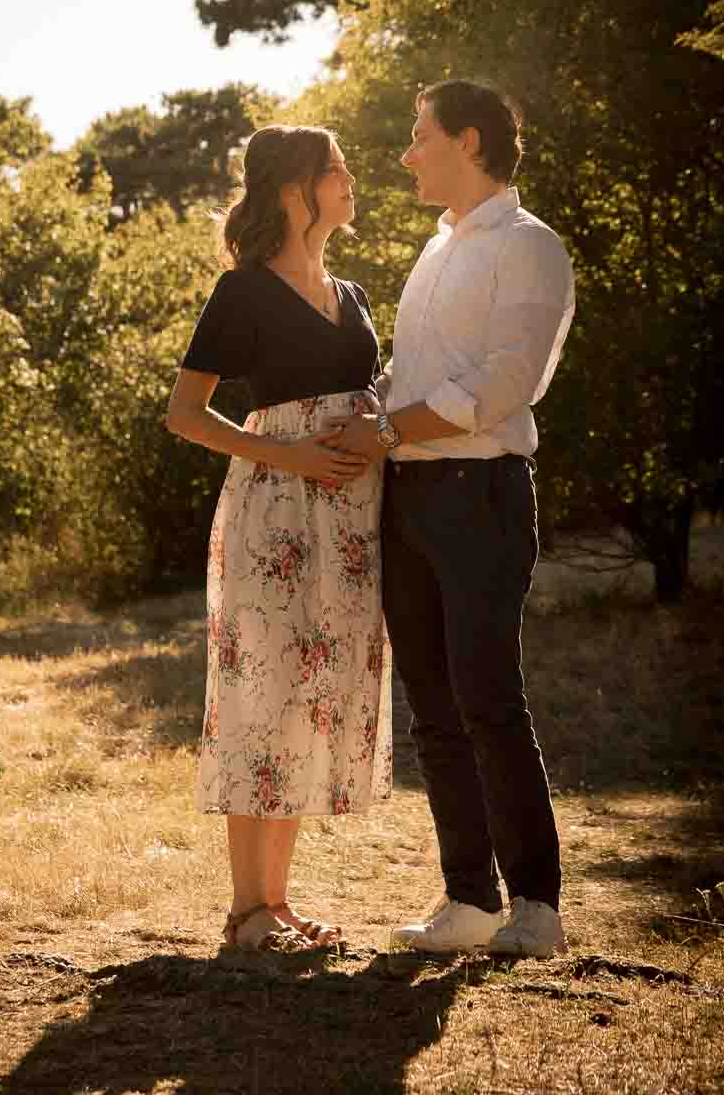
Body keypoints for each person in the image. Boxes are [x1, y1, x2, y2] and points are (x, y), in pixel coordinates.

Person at [332, 80, 575, 959]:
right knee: (433, 706)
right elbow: (420, 375)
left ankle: (536, 908)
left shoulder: (530, 247)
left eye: (419, 136)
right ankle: (468, 899)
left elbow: (505, 385)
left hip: (482, 498)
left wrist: (391, 424)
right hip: (410, 499)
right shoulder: (435, 250)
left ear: (468, 141)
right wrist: (372, 406)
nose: (405, 154)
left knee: (486, 699)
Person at [166, 124, 393, 953]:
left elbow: (367, 390)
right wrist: (287, 452)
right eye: (339, 169)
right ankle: (245, 912)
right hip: (275, 513)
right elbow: (184, 415)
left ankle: (279, 903)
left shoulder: (355, 294)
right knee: (262, 694)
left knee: (313, 697)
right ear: (298, 188)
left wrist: (376, 415)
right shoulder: (244, 293)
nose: (352, 179)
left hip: (352, 522)